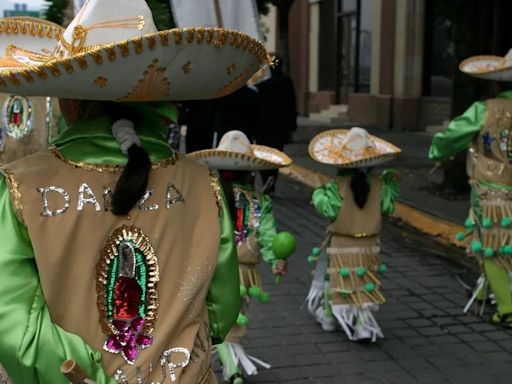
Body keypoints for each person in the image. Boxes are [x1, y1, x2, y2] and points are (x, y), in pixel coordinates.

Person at [0, 0, 269, 382]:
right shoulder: (201, 181)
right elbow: (222, 307)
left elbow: (14, 323)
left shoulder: (21, 184)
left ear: (73, 102)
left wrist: (84, 372)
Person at [188, 131, 294, 384]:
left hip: (211, 270)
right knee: (233, 320)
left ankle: (225, 365)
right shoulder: (259, 201)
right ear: (251, 172)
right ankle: (230, 366)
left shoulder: (207, 197)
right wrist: (275, 259)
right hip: (243, 275)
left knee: (210, 318)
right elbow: (268, 237)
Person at [429, 50, 512, 327]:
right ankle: (484, 291)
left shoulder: (485, 109)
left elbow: (452, 135)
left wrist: (438, 152)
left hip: (493, 191)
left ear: (496, 83)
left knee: (491, 246)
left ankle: (507, 308)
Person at [304, 127, 400, 342]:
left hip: (341, 243)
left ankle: (330, 317)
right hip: (370, 245)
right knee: (364, 280)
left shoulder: (335, 186)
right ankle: (363, 325)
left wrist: (318, 192)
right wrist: (391, 184)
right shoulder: (379, 185)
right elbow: (387, 207)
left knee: (336, 278)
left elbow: (327, 209)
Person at [255, 55, 297, 194]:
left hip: (262, 126)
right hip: (280, 126)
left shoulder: (261, 85)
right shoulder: (287, 82)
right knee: (276, 154)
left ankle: (266, 178)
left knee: (263, 154)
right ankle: (272, 180)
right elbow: (292, 105)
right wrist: (292, 126)